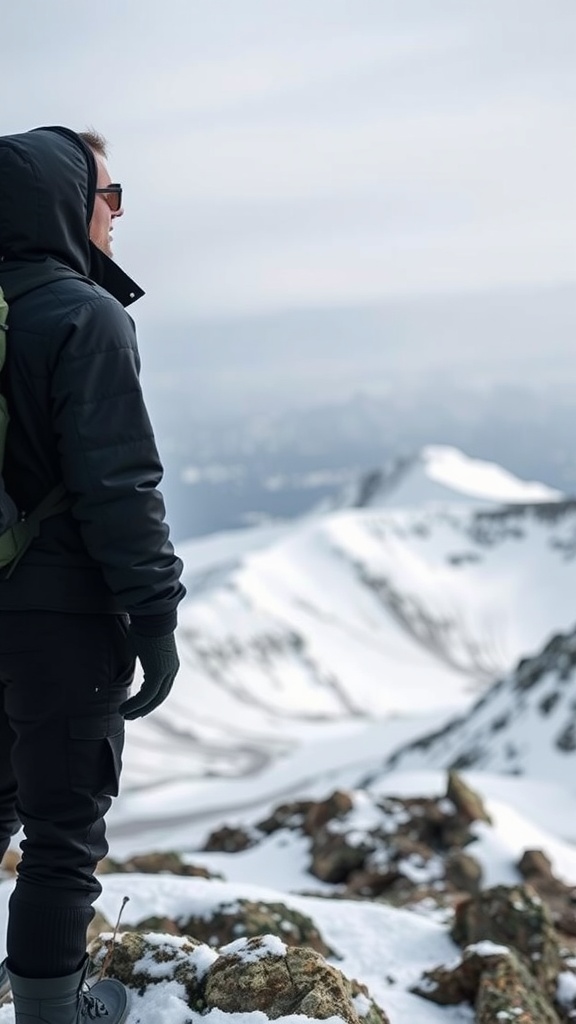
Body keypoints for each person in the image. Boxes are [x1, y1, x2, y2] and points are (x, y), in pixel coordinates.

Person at [0, 126, 186, 1023]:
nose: (115, 216)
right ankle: (47, 1015)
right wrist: (154, 619)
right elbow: (120, 485)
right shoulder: (84, 314)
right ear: (64, 204)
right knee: (63, 837)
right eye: (108, 197)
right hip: (59, 622)